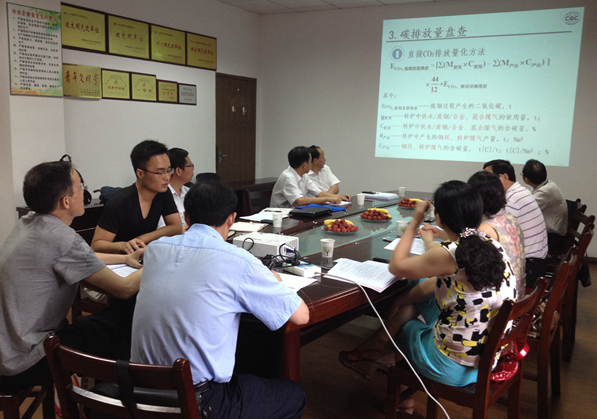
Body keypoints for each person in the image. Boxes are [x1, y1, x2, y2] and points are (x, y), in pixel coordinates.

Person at [130, 181, 310, 419]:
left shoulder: (155, 250)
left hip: (142, 389)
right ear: (231, 219)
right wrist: (274, 280)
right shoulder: (238, 260)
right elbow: (301, 316)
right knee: (293, 395)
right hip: (197, 400)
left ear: (186, 216)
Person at [339, 181, 516, 394]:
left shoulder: (451, 253)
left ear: (439, 217)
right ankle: (376, 347)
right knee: (416, 299)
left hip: (451, 367)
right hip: (485, 359)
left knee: (406, 325)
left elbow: (397, 266)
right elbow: (444, 282)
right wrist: (404, 299)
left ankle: (400, 390)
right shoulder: (491, 244)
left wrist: (415, 221)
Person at [0, 161, 143, 394]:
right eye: (80, 188)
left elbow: (77, 258)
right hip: (26, 359)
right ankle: (104, 402)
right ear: (65, 201)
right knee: (123, 324)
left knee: (103, 324)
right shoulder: (61, 238)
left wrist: (124, 258)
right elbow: (124, 288)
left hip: (9, 347)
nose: (84, 192)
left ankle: (96, 397)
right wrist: (158, 259)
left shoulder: (30, 223)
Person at [91, 140, 182, 254]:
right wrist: (123, 245)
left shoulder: (163, 192)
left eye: (168, 171)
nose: (167, 177)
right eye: (159, 173)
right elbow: (96, 245)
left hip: (143, 255)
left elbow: (176, 227)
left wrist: (141, 239)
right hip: (119, 259)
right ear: (140, 173)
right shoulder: (120, 202)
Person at [484, 159, 548, 287]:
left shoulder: (512, 200)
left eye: (489, 178)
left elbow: (495, 233)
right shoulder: (521, 191)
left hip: (528, 267)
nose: (486, 183)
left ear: (505, 177)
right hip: (535, 261)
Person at [468, 171, 526, 298]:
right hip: (518, 292)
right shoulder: (508, 217)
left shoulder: (485, 229)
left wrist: (429, 241)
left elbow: (462, 251)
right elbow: (466, 235)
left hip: (502, 299)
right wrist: (441, 233)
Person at [270, 146, 351, 208]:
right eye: (310, 161)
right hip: (280, 216)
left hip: (295, 212)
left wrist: (340, 197)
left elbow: (319, 193)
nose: (311, 164)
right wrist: (328, 199)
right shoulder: (288, 177)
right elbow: (300, 201)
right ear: (304, 165)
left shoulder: (304, 175)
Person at [522, 159, 568, 251]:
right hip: (550, 235)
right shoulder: (547, 185)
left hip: (553, 238)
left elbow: (525, 210)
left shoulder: (545, 192)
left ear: (526, 180)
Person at [157, 147, 194, 231]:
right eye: (190, 165)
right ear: (178, 171)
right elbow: (161, 228)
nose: (193, 169)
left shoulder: (190, 192)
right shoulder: (160, 195)